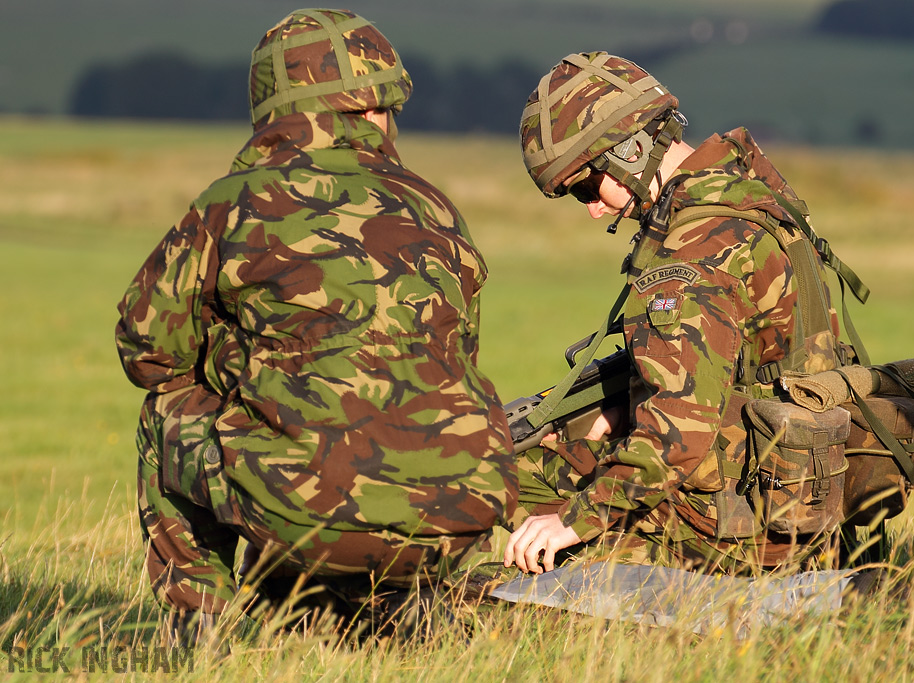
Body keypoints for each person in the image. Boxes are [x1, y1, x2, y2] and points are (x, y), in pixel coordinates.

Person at [115, 9, 517, 637]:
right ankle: (384, 616)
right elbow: (453, 354)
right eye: (384, 107)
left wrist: (232, 362)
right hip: (463, 511)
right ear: (363, 110)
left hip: (314, 509)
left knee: (165, 417)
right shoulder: (434, 206)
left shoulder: (233, 202)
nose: (390, 123)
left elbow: (146, 352)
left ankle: (200, 636)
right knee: (365, 417)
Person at [504, 52, 848, 575]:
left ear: (631, 150)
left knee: (498, 493)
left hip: (735, 528)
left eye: (585, 187)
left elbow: (676, 436)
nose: (593, 209)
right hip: (794, 500)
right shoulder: (746, 196)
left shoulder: (693, 251)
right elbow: (732, 371)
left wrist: (574, 522)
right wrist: (611, 412)